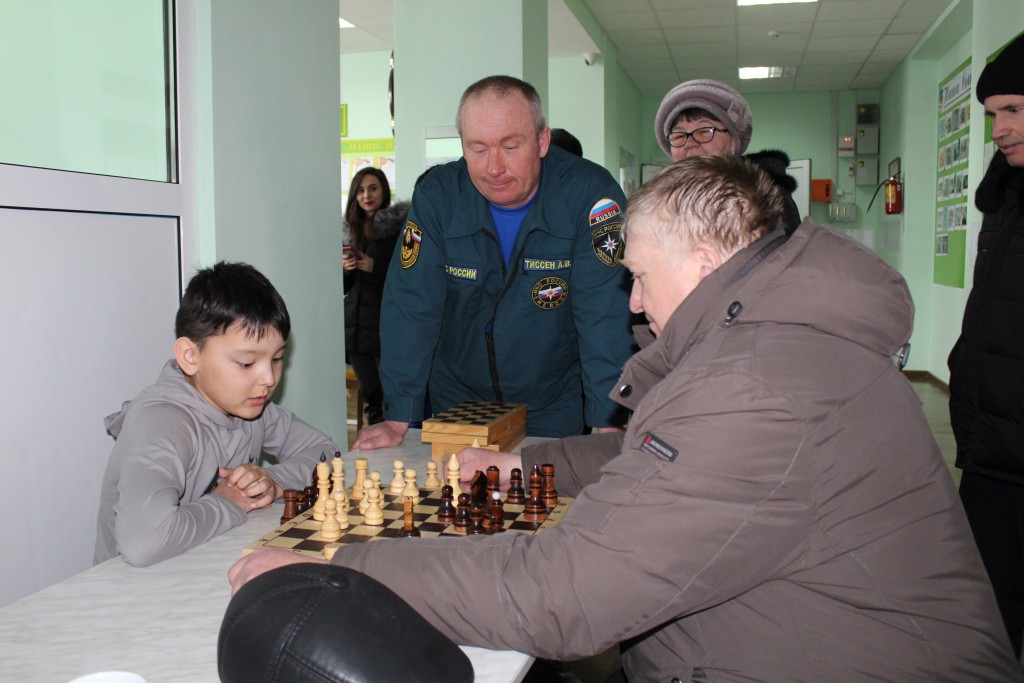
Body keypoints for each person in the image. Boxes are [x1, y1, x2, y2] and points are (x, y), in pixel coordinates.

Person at [229, 156, 1021, 682]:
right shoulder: (775, 347)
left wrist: (340, 568)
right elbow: (661, 456)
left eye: (640, 275)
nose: (634, 302)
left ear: (705, 264)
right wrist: (530, 466)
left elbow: (564, 594)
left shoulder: (756, 387)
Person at [351, 75, 634, 450]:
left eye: (510, 146)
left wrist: (610, 422)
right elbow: (411, 305)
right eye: (478, 149)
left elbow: (605, 314)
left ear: (542, 141)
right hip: (458, 396)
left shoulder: (590, 195)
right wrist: (397, 416)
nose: (494, 167)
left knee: (544, 487)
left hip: (552, 397)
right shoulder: (438, 196)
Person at [95, 262, 338, 567]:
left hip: (201, 567)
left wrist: (272, 481)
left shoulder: (251, 409)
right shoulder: (163, 423)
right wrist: (229, 501)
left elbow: (327, 452)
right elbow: (143, 543)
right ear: (190, 357)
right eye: (247, 363)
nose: (268, 379)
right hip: (136, 589)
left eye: (277, 359)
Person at [948, 31, 1024, 659]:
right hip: (993, 445)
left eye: (1015, 110)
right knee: (985, 617)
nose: (999, 130)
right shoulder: (1005, 196)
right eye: (992, 115)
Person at [654, 78, 803, 234]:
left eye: (704, 131)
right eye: (679, 136)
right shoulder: (661, 202)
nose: (689, 143)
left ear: (734, 143)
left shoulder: (764, 201)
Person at [343, 167, 410, 425]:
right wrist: (346, 269)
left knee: (391, 397)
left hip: (386, 326)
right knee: (370, 396)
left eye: (373, 188)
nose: (366, 195)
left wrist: (375, 267)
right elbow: (343, 287)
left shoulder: (400, 229)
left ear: (384, 190)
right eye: (360, 190)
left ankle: (396, 445)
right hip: (356, 328)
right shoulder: (349, 231)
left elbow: (408, 277)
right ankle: (376, 445)